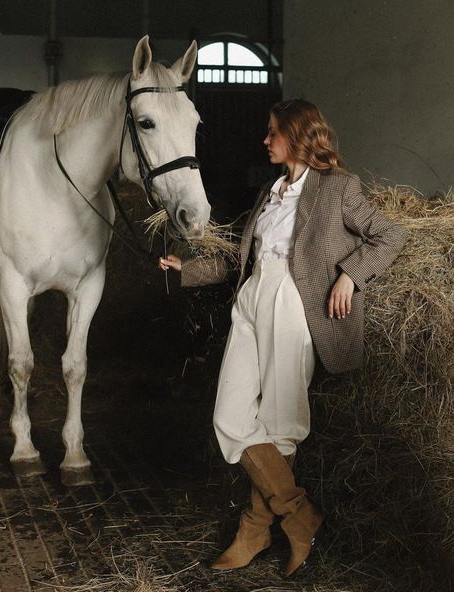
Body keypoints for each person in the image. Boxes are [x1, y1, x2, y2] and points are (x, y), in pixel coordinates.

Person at [158, 99, 407, 577]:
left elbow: (390, 235)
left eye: (273, 132)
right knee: (229, 416)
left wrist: (351, 276)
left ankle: (252, 532)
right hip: (252, 297)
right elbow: (239, 262)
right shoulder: (270, 192)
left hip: (293, 302)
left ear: (296, 136)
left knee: (280, 421)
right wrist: (184, 271)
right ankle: (299, 515)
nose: (265, 140)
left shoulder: (338, 188)